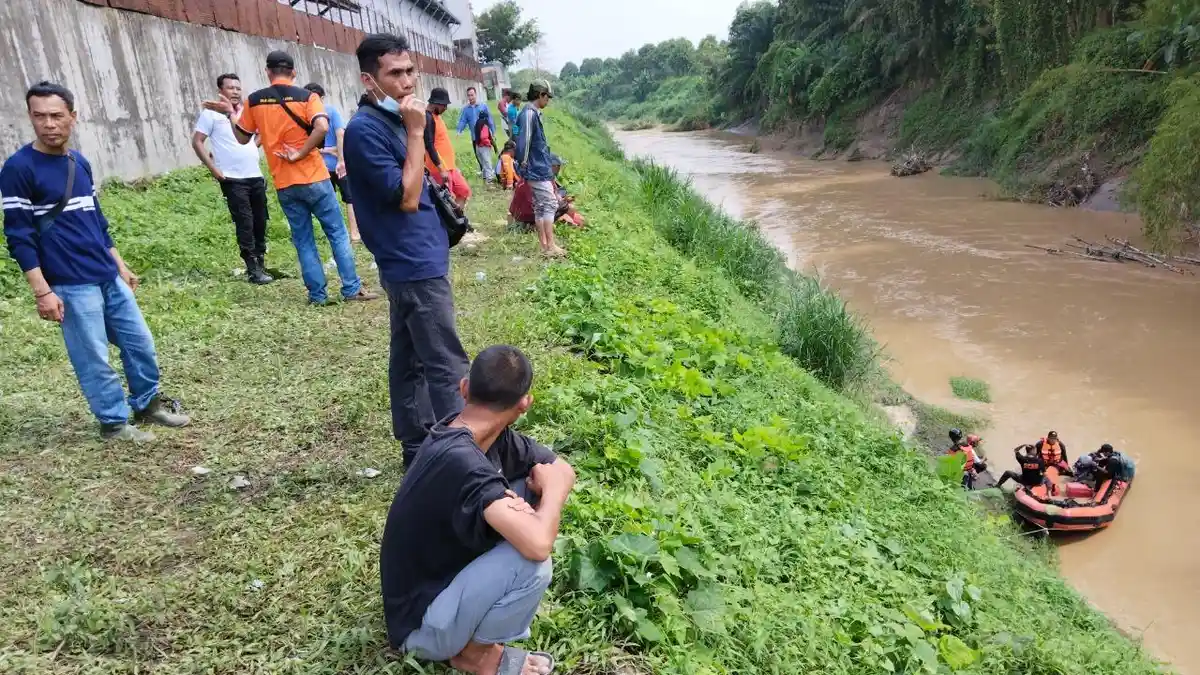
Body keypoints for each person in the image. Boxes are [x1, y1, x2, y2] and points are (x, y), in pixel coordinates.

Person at [2, 82, 191, 441]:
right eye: (40, 116)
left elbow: (96, 220)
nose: (49, 124)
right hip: (69, 283)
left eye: (57, 115)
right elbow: (19, 236)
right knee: (94, 357)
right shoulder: (18, 168)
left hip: (106, 274)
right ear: (30, 118)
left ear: (72, 117)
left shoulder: (79, 162)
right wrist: (42, 291)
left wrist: (118, 264)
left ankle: (147, 404)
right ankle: (114, 423)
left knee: (140, 344)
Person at [379, 345, 574, 675]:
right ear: (524, 404)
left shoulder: (486, 437)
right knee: (531, 564)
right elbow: (540, 543)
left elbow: (563, 469)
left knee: (521, 486)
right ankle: (473, 654)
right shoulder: (460, 460)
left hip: (441, 583)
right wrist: (549, 495)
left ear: (465, 388)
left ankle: (470, 630)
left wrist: (537, 498)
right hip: (418, 627)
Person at [343, 33, 472, 467]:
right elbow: (406, 197)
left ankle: (417, 446)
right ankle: (462, 459)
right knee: (445, 360)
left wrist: (416, 128)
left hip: (420, 254)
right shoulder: (365, 131)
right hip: (410, 261)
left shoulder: (399, 118)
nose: (407, 81)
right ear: (369, 80)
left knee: (410, 357)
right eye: (394, 74)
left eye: (410, 71)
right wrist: (417, 132)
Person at [202, 50, 377, 306]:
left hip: (285, 183)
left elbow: (242, 138)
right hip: (315, 177)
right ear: (293, 73)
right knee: (337, 234)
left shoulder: (254, 101)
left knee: (303, 239)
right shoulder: (308, 97)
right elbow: (322, 127)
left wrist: (231, 113)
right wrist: (302, 153)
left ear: (268, 72)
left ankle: (317, 295)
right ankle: (351, 288)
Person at [192, 73, 273, 284]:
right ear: (221, 91)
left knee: (260, 221)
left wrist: (252, 146)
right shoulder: (211, 114)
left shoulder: (245, 112)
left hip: (255, 175)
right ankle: (252, 268)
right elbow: (197, 141)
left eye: (238, 88)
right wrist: (214, 170)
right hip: (233, 179)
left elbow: (262, 130)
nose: (235, 92)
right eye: (230, 88)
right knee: (244, 222)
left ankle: (261, 262)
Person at [303, 82, 360, 242]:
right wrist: (340, 158)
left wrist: (328, 152)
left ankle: (338, 234)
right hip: (334, 164)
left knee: (330, 201)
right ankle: (353, 233)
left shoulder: (309, 115)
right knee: (349, 199)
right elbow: (341, 135)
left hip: (324, 165)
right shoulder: (331, 111)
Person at [514, 80, 563, 257]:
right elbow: (524, 140)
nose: (548, 100)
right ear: (540, 95)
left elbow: (515, 133)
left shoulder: (528, 113)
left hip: (536, 167)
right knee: (550, 204)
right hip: (535, 168)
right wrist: (523, 161)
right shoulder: (529, 114)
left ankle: (544, 244)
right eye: (547, 97)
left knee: (540, 206)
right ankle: (550, 246)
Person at [425, 87, 472, 207]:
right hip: (439, 168)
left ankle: (458, 221)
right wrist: (441, 169)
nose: (445, 108)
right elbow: (429, 145)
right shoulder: (428, 118)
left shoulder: (437, 116)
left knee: (464, 191)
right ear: (436, 103)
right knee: (447, 201)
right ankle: (451, 224)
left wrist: (453, 166)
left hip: (450, 166)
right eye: (444, 105)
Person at [457, 86, 497, 183]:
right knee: (479, 157)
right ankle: (485, 175)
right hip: (475, 138)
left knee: (486, 157)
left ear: (476, 95)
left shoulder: (483, 106)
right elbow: (463, 120)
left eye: (472, 95)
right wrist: (459, 130)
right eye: (469, 95)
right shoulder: (466, 109)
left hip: (485, 137)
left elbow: (489, 119)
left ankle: (490, 178)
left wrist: (493, 131)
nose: (471, 97)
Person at [549, 154, 585, 227]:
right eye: (559, 166)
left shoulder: (550, 178)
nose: (560, 168)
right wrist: (563, 201)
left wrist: (564, 199)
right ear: (554, 166)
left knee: (578, 216)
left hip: (549, 205)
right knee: (573, 212)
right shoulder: (546, 180)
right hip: (544, 210)